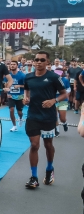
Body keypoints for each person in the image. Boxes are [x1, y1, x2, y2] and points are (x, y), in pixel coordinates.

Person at [23, 51, 67, 188]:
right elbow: (26, 90)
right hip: (33, 116)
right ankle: (34, 177)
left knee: (48, 144)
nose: (39, 62)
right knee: (34, 145)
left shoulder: (53, 77)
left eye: (42, 60)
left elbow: (64, 94)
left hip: (48, 117)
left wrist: (54, 100)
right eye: (36, 60)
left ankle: (49, 168)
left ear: (48, 62)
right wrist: (26, 98)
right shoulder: (28, 77)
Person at [7, 59, 26, 132]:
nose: (12, 66)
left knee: (19, 112)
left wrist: (19, 86)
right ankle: (14, 126)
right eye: (11, 64)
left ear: (17, 66)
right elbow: (5, 84)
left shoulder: (22, 75)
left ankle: (20, 118)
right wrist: (7, 93)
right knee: (11, 110)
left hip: (20, 95)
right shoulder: (8, 75)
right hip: (11, 95)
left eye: (14, 64)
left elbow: (26, 86)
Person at [56, 70, 71, 134]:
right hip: (53, 100)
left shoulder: (65, 80)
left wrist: (63, 93)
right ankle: (57, 130)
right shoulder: (51, 79)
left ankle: (64, 123)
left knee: (62, 118)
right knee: (54, 117)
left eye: (59, 73)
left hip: (63, 100)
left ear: (62, 73)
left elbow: (69, 89)